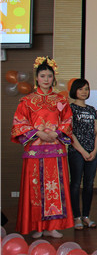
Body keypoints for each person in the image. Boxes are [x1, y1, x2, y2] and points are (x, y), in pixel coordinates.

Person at [11, 56, 74, 238]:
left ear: (53, 78)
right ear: (37, 78)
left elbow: (68, 120)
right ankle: (37, 227)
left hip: (55, 149)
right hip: (35, 150)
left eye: (49, 76)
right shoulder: (27, 100)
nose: (46, 79)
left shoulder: (61, 100)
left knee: (55, 188)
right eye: (43, 76)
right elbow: (19, 122)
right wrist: (38, 133)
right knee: (35, 189)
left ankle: (52, 226)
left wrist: (56, 133)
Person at [69, 78, 97, 231]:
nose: (84, 92)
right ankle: (76, 217)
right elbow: (69, 132)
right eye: (80, 89)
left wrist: (94, 151)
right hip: (76, 151)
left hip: (92, 152)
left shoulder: (92, 109)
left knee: (89, 184)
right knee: (76, 184)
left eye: (86, 89)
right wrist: (82, 151)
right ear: (74, 90)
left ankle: (86, 216)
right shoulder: (70, 108)